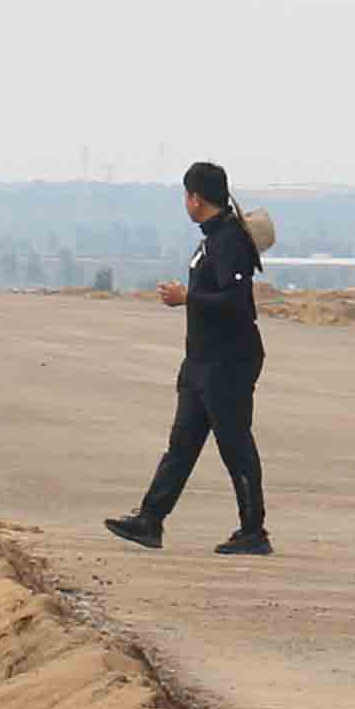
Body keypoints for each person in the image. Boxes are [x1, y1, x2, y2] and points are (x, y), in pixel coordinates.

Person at [106, 159, 270, 556]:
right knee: (181, 445)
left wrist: (187, 297)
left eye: (186, 194)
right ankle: (150, 520)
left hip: (228, 363)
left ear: (196, 199)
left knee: (235, 446)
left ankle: (254, 532)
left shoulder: (229, 240)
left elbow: (237, 304)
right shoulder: (213, 237)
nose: (185, 201)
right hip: (201, 362)